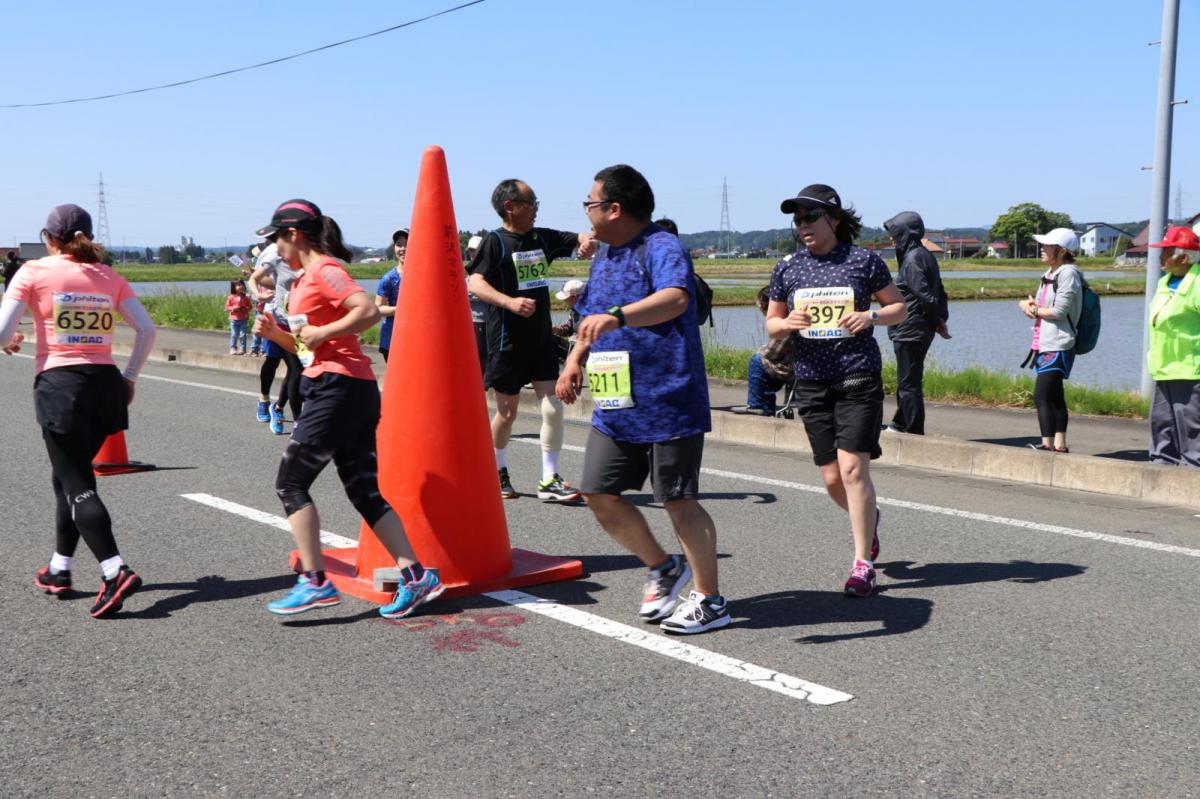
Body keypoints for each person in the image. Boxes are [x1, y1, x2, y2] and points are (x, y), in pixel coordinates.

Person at [558, 164, 728, 635]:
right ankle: (663, 566)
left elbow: (674, 299)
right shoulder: (605, 255)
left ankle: (710, 599)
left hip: (668, 396)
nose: (586, 210)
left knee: (678, 501)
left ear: (614, 208)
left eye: (590, 203)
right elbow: (590, 315)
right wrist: (574, 360)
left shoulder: (661, 247)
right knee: (597, 491)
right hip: (616, 400)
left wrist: (619, 317)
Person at [252, 199, 442, 618]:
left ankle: (315, 582)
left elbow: (367, 310)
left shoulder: (325, 270)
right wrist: (279, 335)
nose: (274, 249)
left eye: (277, 239)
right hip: (344, 386)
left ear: (295, 235)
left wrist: (322, 331)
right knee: (364, 491)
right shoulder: (303, 280)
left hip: (338, 389)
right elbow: (310, 347)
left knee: (291, 483)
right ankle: (416, 577)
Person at [0, 204, 156, 618]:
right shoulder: (109, 276)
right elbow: (146, 329)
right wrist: (130, 377)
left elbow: (0, 331)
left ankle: (114, 569)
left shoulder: (33, 272)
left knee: (78, 485)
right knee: (67, 479)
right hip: (106, 387)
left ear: (49, 238)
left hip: (61, 387)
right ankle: (59, 568)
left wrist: (11, 339)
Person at [766, 184, 907, 598]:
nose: (803, 226)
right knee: (831, 478)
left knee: (852, 469)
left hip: (857, 375)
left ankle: (863, 564)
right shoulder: (788, 267)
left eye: (811, 217)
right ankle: (870, 517)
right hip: (810, 378)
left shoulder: (864, 261)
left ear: (835, 219)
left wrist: (872, 316)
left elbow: (899, 307)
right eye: (797, 220)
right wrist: (787, 322)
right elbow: (772, 323)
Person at [467, 178, 594, 502]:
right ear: (510, 206)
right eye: (531, 202)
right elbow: (475, 281)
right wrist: (509, 302)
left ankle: (549, 479)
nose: (536, 208)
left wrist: (586, 243)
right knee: (507, 413)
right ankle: (497, 471)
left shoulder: (542, 238)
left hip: (539, 339)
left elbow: (579, 237)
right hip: (506, 341)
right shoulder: (494, 242)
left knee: (552, 408)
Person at [882, 211, 950, 435]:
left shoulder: (912, 259)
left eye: (895, 233)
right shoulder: (924, 254)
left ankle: (911, 429)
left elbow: (926, 296)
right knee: (908, 379)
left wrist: (937, 320)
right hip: (918, 327)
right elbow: (939, 292)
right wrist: (939, 320)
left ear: (905, 234)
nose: (892, 239)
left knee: (908, 382)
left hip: (911, 327)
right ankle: (902, 423)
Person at [1018, 228, 1083, 454]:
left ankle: (1047, 444)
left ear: (1063, 251)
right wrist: (1028, 306)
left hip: (1059, 343)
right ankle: (1059, 445)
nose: (1042, 249)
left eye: (1047, 246)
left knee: (1042, 394)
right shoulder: (1050, 273)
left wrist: (1034, 310)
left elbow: (1059, 311)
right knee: (1054, 395)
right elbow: (1040, 307)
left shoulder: (1068, 273)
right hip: (1044, 342)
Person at [1146, 226, 1200, 467]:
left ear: (1184, 257)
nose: (1160, 257)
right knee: (1161, 425)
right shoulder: (1165, 283)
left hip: (1190, 369)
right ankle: (1161, 469)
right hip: (1164, 367)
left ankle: (1192, 476)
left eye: (1166, 252)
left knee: (1191, 432)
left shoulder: (1197, 284)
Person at [249, 240, 304, 433]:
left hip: (299, 321)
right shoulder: (273, 252)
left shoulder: (308, 252)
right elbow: (256, 278)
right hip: (276, 318)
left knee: (297, 369)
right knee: (273, 362)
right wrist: (262, 294)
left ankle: (279, 407)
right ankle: (264, 399)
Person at [731, 286, 795, 415]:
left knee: (757, 361)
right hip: (792, 367)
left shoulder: (785, 325)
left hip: (790, 370)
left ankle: (756, 405)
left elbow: (771, 353)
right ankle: (766, 410)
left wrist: (760, 350)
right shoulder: (791, 318)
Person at [374, 228, 407, 362]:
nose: (403, 248)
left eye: (407, 244)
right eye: (399, 244)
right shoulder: (388, 278)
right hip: (392, 338)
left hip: (418, 336)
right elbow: (378, 308)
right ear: (394, 248)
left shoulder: (424, 275)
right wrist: (402, 310)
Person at [466, 234, 487, 374]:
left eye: (476, 250)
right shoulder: (467, 270)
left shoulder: (489, 269)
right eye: (471, 250)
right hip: (471, 319)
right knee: (474, 351)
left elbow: (488, 293)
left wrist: (471, 294)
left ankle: (484, 382)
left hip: (486, 318)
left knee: (484, 351)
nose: (474, 253)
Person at [551, 278, 584, 362]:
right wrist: (557, 330)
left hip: (587, 350)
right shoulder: (574, 310)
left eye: (566, 298)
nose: (564, 300)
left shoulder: (594, 310)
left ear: (576, 297)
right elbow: (568, 329)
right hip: (575, 347)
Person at [225, 279, 251, 355]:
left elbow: (250, 307)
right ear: (234, 287)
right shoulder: (231, 297)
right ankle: (233, 348)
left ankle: (243, 348)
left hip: (243, 319)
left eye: (242, 284)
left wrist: (245, 308)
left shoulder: (246, 297)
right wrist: (233, 308)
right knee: (234, 334)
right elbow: (227, 307)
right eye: (238, 285)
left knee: (243, 334)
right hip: (234, 319)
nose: (240, 286)